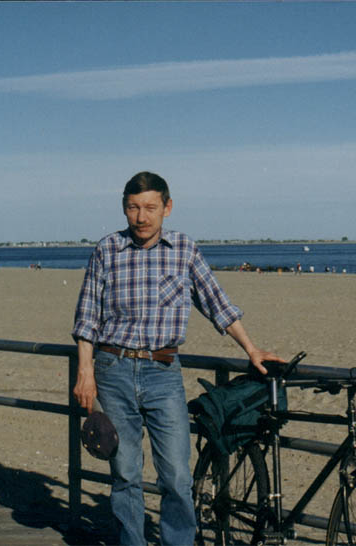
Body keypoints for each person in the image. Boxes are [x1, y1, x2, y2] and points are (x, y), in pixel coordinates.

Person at [72, 171, 284, 545]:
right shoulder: (107, 250)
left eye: (150, 207)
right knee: (125, 473)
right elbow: (87, 318)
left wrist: (251, 349)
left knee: (176, 476)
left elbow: (217, 304)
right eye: (133, 208)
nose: (141, 217)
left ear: (167, 208)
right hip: (113, 369)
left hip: (163, 372)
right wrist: (85, 372)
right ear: (123, 208)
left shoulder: (184, 249)